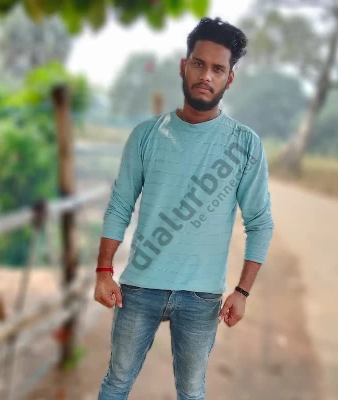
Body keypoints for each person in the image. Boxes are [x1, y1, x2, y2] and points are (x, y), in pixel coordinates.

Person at [95, 17, 274, 400]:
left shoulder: (245, 145)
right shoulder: (146, 135)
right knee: (116, 383)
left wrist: (242, 291)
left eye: (218, 69)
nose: (206, 75)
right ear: (183, 66)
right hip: (139, 287)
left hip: (202, 296)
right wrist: (104, 270)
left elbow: (260, 222)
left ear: (229, 78)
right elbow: (121, 203)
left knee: (191, 391)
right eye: (198, 63)